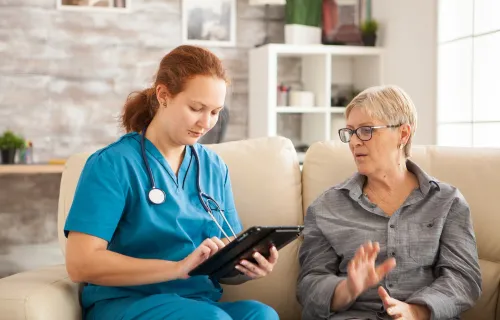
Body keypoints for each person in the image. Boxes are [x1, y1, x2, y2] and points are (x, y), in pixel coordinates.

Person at [64, 45, 280, 320]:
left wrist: (246, 267)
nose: (206, 123)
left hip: (198, 303)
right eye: (196, 108)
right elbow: (80, 264)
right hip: (127, 303)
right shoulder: (112, 164)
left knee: (262, 315)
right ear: (163, 95)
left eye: (215, 112)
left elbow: (224, 257)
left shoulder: (214, 168)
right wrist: (177, 268)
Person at [297, 85, 482, 320]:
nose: (354, 142)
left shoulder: (447, 202)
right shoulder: (325, 208)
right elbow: (308, 286)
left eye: (366, 130)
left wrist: (416, 311)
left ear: (403, 134)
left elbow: (464, 278)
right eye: (350, 132)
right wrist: (348, 289)